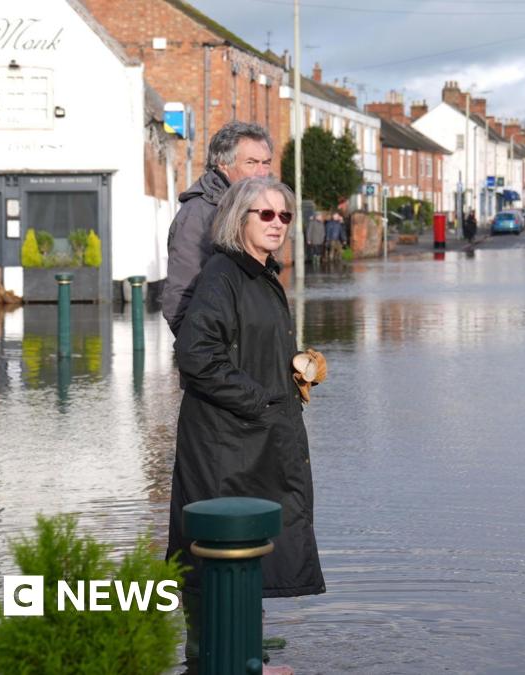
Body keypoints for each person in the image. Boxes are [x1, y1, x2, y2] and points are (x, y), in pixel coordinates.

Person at [168, 176, 325, 659]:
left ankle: (242, 652)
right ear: (240, 219)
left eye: (285, 216)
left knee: (251, 547)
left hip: (252, 436)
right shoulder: (224, 274)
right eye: (267, 214)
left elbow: (245, 347)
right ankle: (217, 659)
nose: (278, 224)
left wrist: (295, 367)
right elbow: (197, 356)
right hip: (225, 443)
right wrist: (263, 401)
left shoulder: (260, 274)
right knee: (215, 551)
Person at [162, 122, 274, 337]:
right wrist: (206, 358)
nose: (262, 173)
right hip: (221, 355)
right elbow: (180, 296)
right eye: (251, 163)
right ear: (223, 164)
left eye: (266, 163)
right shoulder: (199, 214)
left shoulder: (252, 207)